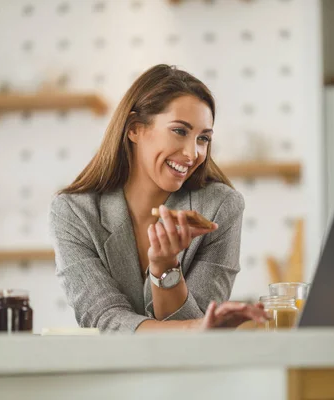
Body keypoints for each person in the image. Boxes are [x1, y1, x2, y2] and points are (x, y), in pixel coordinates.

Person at [49, 64, 268, 332]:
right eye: (180, 131)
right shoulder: (73, 212)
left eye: (203, 138)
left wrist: (165, 268)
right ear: (134, 129)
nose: (192, 153)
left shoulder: (220, 207)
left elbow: (198, 327)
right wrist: (193, 329)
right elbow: (103, 319)